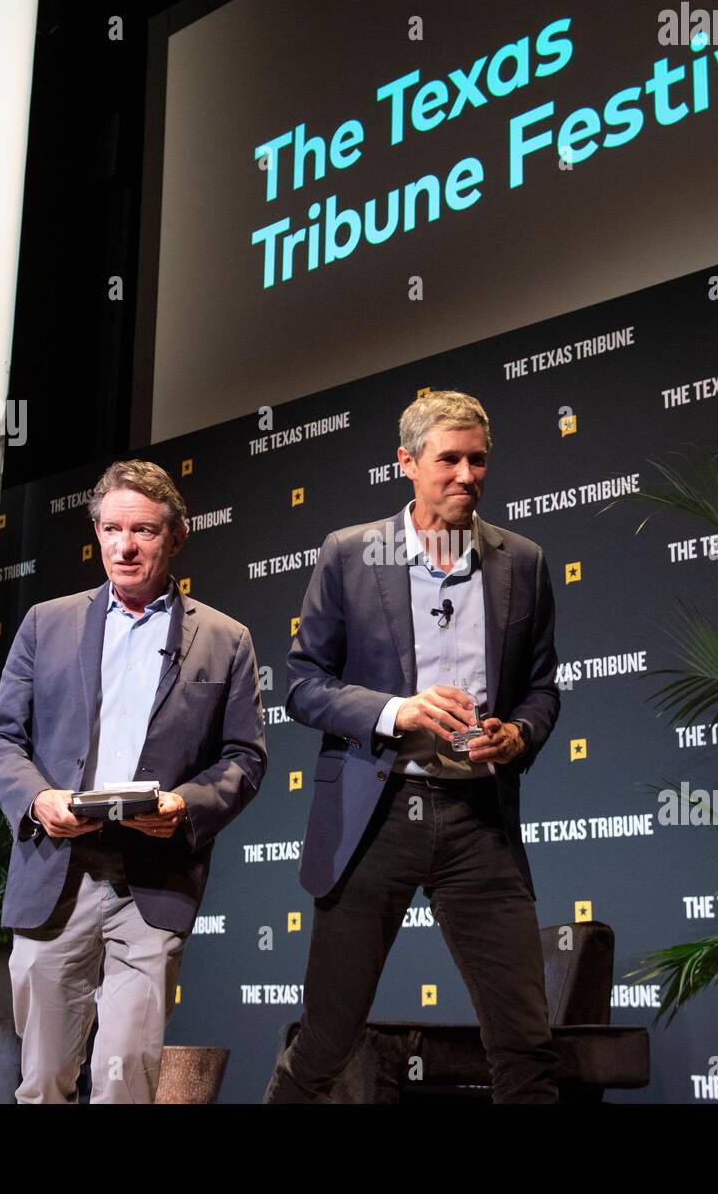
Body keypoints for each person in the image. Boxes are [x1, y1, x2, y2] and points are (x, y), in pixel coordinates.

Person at [264, 391, 562, 1103]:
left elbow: (544, 690)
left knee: (525, 1044)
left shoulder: (522, 560)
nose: (467, 475)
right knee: (327, 1040)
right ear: (406, 463)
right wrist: (397, 711)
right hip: (378, 814)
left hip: (478, 822)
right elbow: (302, 686)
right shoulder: (349, 553)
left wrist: (517, 734)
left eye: (478, 459)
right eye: (448, 459)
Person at [0, 459, 267, 1103]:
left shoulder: (225, 639)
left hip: (152, 879)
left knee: (125, 1077)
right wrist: (37, 799)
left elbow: (245, 758)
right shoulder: (46, 624)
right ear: (98, 533)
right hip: (58, 870)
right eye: (112, 529)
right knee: (44, 1078)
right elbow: (0, 741)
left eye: (143, 530)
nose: (125, 546)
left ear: (175, 537)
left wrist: (182, 807)